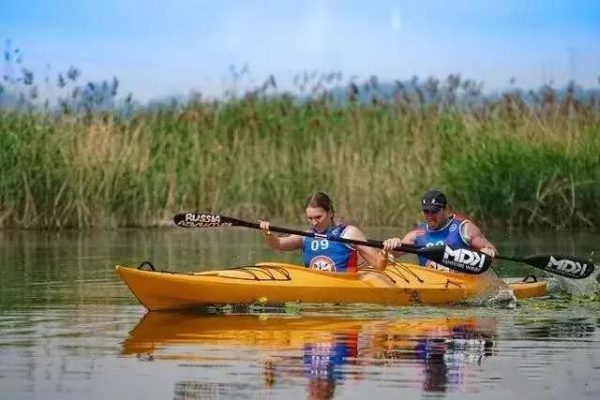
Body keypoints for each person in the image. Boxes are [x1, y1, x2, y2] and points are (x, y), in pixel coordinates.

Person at [259, 192, 387, 272]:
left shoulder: (349, 233)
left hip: (344, 290)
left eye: (318, 217)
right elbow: (279, 244)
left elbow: (379, 265)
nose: (314, 222)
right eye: (310, 218)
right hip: (315, 287)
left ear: (330, 213)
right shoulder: (305, 236)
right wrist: (267, 233)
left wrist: (385, 252)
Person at [379, 189, 497, 271]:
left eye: (434, 211)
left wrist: (488, 253)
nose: (430, 216)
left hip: (460, 282)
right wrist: (388, 249)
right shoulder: (415, 236)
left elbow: (494, 253)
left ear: (445, 210)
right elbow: (389, 256)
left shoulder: (464, 229)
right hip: (429, 283)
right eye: (426, 212)